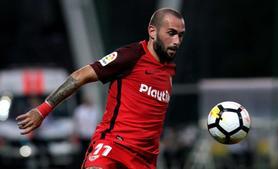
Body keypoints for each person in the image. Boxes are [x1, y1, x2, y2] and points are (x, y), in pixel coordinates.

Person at [16, 8, 185, 169]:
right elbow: (80, 76)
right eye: (171, 33)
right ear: (152, 31)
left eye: (180, 35)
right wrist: (42, 110)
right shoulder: (131, 55)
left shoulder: (170, 70)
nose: (176, 41)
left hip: (145, 160)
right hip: (112, 147)